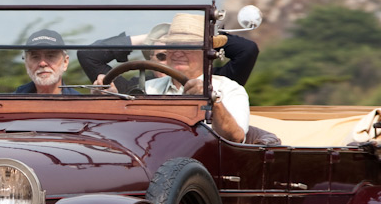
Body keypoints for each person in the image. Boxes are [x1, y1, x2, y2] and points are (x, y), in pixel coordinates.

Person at [88, 14, 250, 142]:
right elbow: (129, 131)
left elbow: (235, 137)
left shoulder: (229, 90)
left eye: (188, 47)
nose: (178, 52)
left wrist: (214, 102)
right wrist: (108, 100)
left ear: (206, 53)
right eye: (173, 46)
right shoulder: (148, 88)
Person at [77, 16, 259, 93]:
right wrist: (147, 38)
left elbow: (247, 50)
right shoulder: (139, 88)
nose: (175, 56)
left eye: (184, 50)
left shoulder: (218, 81)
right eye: (162, 56)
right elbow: (89, 55)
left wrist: (201, 39)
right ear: (149, 60)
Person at [15, 29, 81, 95]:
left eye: (50, 56)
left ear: (65, 62)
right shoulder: (11, 102)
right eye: (35, 57)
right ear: (26, 63)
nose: (42, 63)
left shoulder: (80, 103)